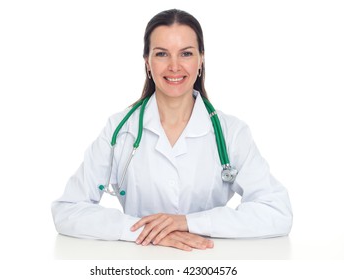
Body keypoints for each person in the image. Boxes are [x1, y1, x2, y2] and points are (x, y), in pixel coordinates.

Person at [51, 9, 293, 251]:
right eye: (162, 54)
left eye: (186, 53)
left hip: (210, 264)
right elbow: (67, 210)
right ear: (147, 62)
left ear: (201, 59)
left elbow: (277, 213)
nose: (174, 66)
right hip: (139, 265)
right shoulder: (120, 130)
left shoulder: (232, 133)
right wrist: (146, 231)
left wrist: (189, 223)